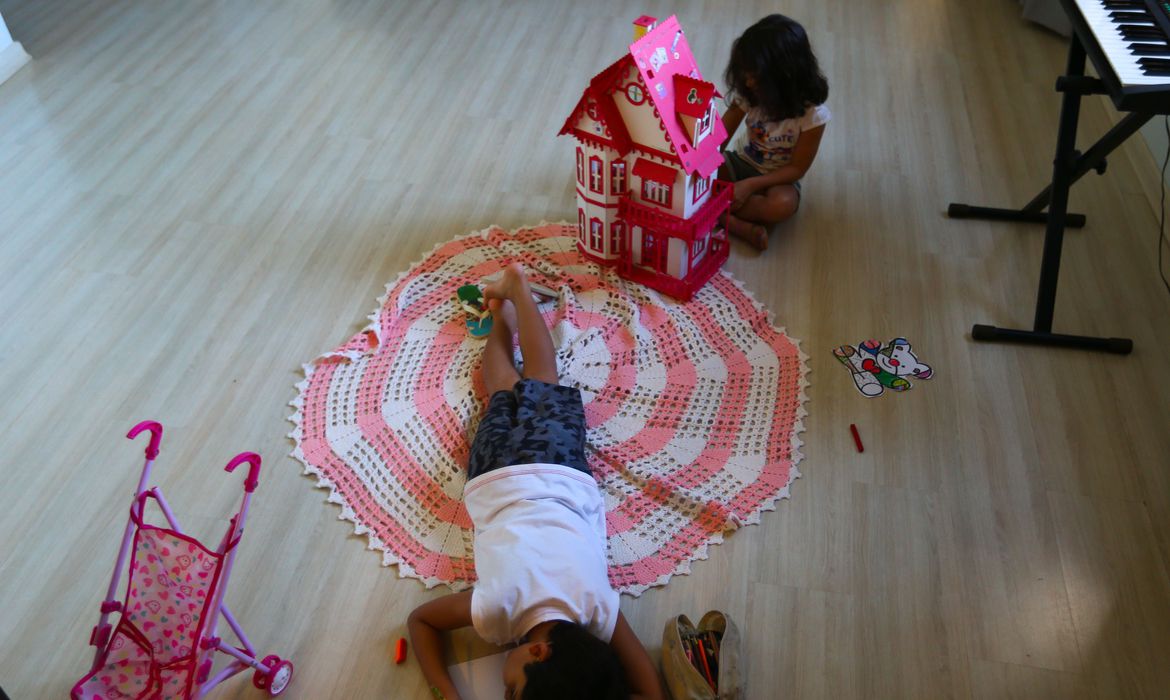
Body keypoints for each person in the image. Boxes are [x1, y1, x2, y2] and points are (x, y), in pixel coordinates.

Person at [407, 264, 663, 700]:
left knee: (542, 377)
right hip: (497, 478)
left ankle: (515, 297)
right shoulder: (495, 613)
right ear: (539, 652)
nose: (504, 692)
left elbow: (646, 684)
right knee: (502, 389)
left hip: (560, 472)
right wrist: (446, 693)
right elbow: (421, 622)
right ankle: (507, 309)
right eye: (511, 690)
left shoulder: (597, 610)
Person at [720, 14, 831, 250]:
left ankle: (718, 215)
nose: (748, 83)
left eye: (755, 77)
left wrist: (749, 185)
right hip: (740, 161)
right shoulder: (750, 95)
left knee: (782, 204)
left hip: (777, 178)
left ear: (785, 77)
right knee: (696, 177)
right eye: (745, 74)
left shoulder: (813, 116)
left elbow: (797, 168)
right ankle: (735, 224)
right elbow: (718, 138)